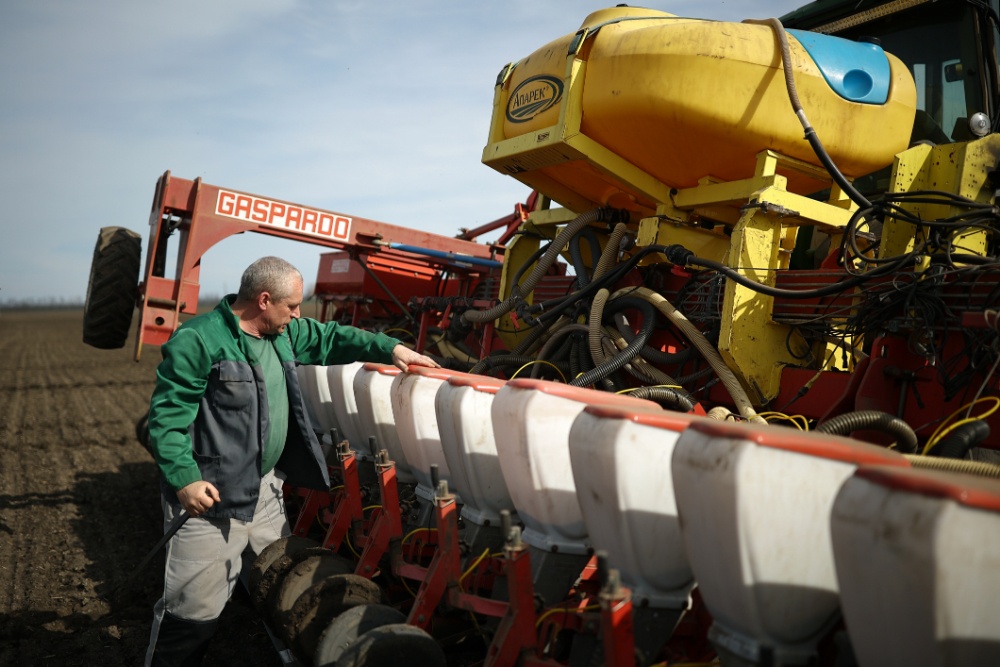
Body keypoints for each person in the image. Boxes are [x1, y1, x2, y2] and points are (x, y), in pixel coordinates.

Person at [144, 256, 439, 666]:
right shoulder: (199, 341)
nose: (298, 315)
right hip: (211, 501)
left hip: (265, 491)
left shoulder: (282, 335)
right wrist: (185, 479)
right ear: (264, 300)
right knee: (193, 611)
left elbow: (332, 337)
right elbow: (166, 420)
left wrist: (393, 348)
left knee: (285, 590)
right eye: (292, 306)